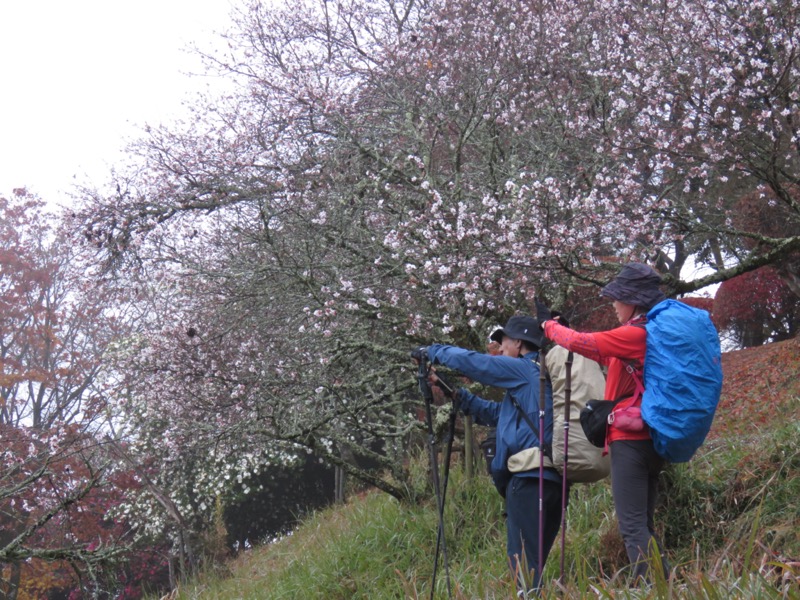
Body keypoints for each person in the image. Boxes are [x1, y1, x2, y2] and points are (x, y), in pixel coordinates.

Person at [537, 262, 670, 583]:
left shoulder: (636, 333)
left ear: (633, 301)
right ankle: (666, 585)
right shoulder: (651, 334)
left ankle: (653, 589)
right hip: (653, 438)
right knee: (644, 523)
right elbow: (602, 353)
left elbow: (589, 345)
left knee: (633, 527)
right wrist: (563, 329)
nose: (613, 304)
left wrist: (549, 329)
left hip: (629, 440)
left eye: (617, 298)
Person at [422, 315, 562, 592]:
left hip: (528, 478)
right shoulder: (540, 379)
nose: (499, 349)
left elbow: (478, 364)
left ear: (519, 343)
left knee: (523, 566)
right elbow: (497, 414)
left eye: (504, 342)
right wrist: (453, 392)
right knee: (533, 563)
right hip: (552, 480)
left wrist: (433, 351)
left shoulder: (524, 369)